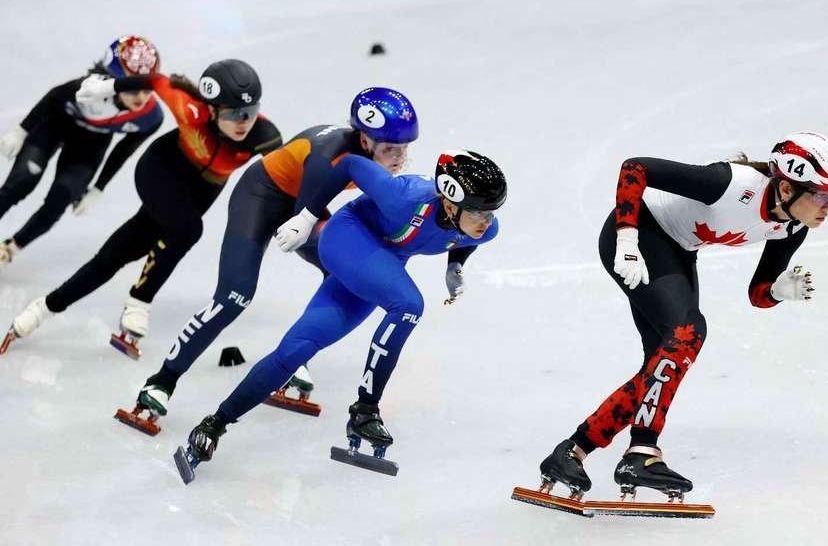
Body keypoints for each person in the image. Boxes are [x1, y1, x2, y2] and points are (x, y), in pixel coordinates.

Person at [536, 131, 828, 502]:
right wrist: (627, 240)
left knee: (661, 367)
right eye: (821, 194)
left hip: (678, 251)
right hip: (640, 234)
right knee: (688, 331)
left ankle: (571, 452)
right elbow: (635, 168)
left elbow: (757, 294)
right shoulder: (732, 184)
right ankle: (642, 452)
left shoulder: (793, 227)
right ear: (785, 189)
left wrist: (778, 293)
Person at [173, 150, 507, 483]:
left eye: (491, 213)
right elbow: (349, 164)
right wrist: (305, 218)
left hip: (380, 262)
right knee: (408, 305)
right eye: (480, 213)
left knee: (297, 349)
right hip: (346, 236)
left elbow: (464, 238)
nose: (487, 222)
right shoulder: (403, 197)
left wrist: (455, 264)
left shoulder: (484, 229)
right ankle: (365, 409)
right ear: (450, 204)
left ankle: (214, 423)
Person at [118, 87, 419, 435]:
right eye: (390, 149)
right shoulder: (328, 158)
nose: (398, 158)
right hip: (260, 199)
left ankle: (294, 357)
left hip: (302, 205)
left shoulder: (364, 152)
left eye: (404, 149)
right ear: (364, 141)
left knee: (340, 273)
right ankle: (162, 380)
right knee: (234, 296)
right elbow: (306, 216)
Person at [0, 60, 282, 358]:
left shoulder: (265, 135)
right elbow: (156, 80)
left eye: (250, 112)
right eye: (235, 113)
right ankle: (139, 301)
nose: (244, 122)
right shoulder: (189, 107)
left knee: (113, 257)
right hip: (159, 170)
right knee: (188, 229)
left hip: (198, 192)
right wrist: (107, 87)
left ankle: (42, 308)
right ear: (212, 109)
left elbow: (285, 177)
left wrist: (303, 216)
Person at [0, 36, 162, 266]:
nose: (141, 98)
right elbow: (54, 96)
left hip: (90, 144)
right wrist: (21, 130)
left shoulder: (150, 117)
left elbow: (123, 151)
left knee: (61, 198)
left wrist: (99, 187)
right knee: (21, 182)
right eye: (133, 89)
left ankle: (10, 249)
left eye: (148, 89)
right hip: (55, 125)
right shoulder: (89, 89)